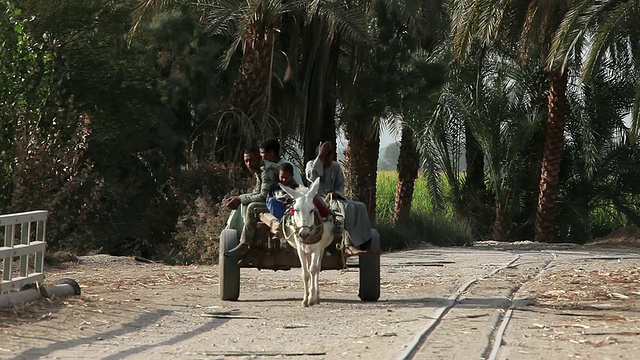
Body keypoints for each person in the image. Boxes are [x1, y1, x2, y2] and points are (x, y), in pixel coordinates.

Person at [305, 141, 373, 256]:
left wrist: (336, 193)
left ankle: (365, 243)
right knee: (346, 208)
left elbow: (340, 186)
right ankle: (348, 245)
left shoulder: (335, 167)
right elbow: (312, 176)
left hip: (335, 199)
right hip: (319, 200)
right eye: (326, 156)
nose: (329, 159)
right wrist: (320, 157)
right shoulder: (311, 165)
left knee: (361, 206)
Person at [223, 147, 279, 258]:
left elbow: (263, 197)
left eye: (251, 160)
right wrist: (239, 197)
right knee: (247, 202)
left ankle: (245, 243)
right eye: (246, 161)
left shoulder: (267, 170)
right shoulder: (259, 170)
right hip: (273, 199)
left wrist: (240, 199)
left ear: (259, 158)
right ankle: (250, 238)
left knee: (252, 207)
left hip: (281, 201)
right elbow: (257, 192)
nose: (248, 164)